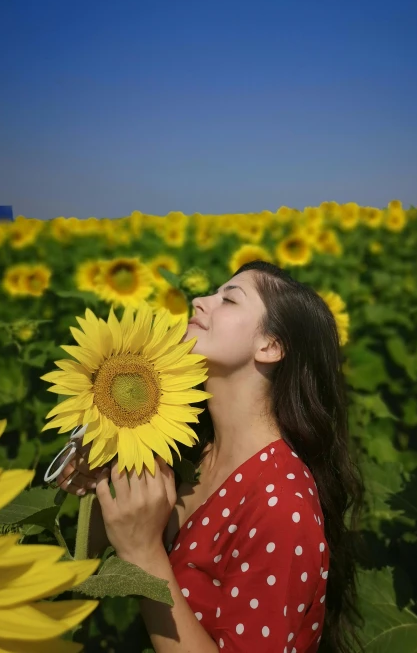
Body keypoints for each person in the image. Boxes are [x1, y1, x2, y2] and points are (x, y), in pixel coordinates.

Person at [57, 260, 365, 653]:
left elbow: (137, 551)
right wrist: (102, 485)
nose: (200, 301)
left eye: (229, 299)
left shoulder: (281, 505)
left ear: (270, 346)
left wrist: (145, 556)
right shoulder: (187, 449)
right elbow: (91, 557)